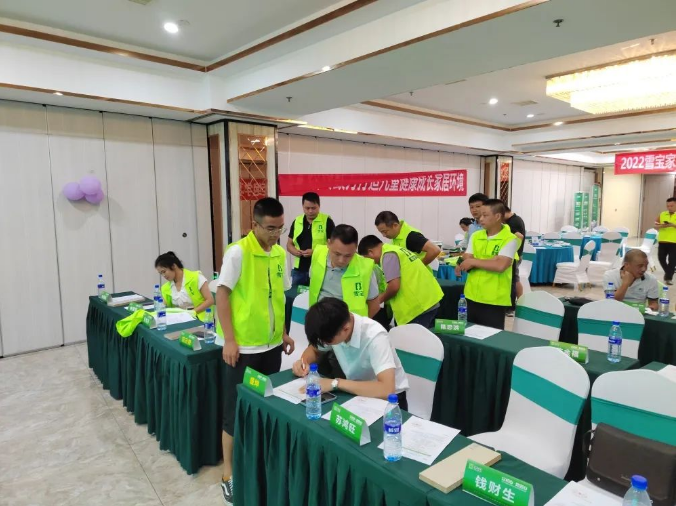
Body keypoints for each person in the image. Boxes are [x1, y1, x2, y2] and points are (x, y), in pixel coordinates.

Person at [216, 197, 295, 506]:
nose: (276, 234)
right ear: (255, 225)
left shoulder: (279, 254)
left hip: (271, 345)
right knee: (234, 411)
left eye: (280, 228)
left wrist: (283, 332)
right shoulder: (238, 252)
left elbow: (279, 298)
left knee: (266, 404)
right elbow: (222, 296)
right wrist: (230, 340)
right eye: (270, 228)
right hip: (243, 347)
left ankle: (260, 461)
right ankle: (229, 473)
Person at [291, 297, 409, 409]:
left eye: (328, 341)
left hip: (390, 402)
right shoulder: (335, 326)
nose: (325, 344)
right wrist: (303, 363)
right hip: (357, 394)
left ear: (346, 329)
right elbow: (314, 350)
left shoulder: (375, 336)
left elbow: (386, 389)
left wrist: (335, 383)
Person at [456, 199, 518, 330]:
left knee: (490, 336)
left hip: (493, 299)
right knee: (470, 334)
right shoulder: (476, 236)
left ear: (497, 216)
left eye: (485, 215)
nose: (480, 219)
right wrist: (491, 260)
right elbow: (467, 257)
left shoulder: (510, 239)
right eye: (480, 215)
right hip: (471, 294)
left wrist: (474, 261)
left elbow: (500, 266)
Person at [358, 235, 443, 328]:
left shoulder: (387, 255)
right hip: (428, 300)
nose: (372, 263)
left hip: (419, 307)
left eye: (367, 259)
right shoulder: (395, 249)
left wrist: (378, 300)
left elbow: (394, 286)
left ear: (370, 252)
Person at [309, 224, 380, 318]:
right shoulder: (318, 254)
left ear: (355, 248)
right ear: (328, 243)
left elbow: (374, 306)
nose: (341, 260)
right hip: (318, 319)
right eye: (337, 254)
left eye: (348, 256)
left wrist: (358, 325)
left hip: (348, 325)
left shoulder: (365, 268)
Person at [287, 192, 335, 287]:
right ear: (303, 207)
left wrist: (314, 252)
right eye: (307, 208)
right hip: (299, 269)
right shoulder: (297, 221)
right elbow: (289, 244)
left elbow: (334, 246)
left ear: (319, 206)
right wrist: (294, 251)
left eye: (313, 208)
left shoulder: (327, 221)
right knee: (296, 294)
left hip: (320, 268)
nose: (310, 211)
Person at [154, 251, 214, 321]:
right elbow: (162, 307)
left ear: (173, 266)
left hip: (200, 319)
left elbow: (210, 300)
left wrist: (193, 312)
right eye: (161, 273)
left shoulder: (196, 278)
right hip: (179, 320)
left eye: (164, 271)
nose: (163, 275)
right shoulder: (165, 287)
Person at [374, 211, 441, 266]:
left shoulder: (411, 237)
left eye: (385, 231)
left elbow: (435, 250)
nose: (384, 235)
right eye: (381, 232)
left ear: (395, 225)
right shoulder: (396, 237)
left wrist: (419, 267)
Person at [503, 204, 526, 314]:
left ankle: (513, 306)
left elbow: (518, 236)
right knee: (515, 279)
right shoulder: (515, 219)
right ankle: (519, 303)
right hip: (515, 254)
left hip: (514, 255)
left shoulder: (513, 222)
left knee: (513, 280)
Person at [655, 197, 676, 285]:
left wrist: (673, 225)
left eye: (671, 206)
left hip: (674, 242)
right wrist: (662, 225)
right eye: (668, 206)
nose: (669, 207)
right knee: (661, 258)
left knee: (672, 260)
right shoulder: (662, 214)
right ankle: (669, 272)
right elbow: (655, 225)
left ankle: (668, 278)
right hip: (662, 240)